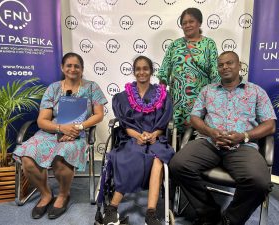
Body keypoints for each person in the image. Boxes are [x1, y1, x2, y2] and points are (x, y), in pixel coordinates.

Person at [169, 51, 277, 225]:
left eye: (230, 63)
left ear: (239, 66)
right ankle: (208, 212)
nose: (225, 67)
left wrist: (244, 136)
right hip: (209, 142)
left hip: (242, 146)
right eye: (221, 64)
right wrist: (210, 131)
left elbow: (270, 125)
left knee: (259, 182)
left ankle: (230, 220)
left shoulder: (256, 91)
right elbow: (194, 117)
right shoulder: (207, 90)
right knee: (177, 165)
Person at [13, 52, 108, 219]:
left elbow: (98, 114)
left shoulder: (92, 87)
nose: (73, 69)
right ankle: (46, 194)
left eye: (76, 66)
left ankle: (63, 194)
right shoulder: (53, 88)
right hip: (51, 132)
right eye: (69, 65)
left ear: (82, 69)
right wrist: (60, 128)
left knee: (62, 156)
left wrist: (77, 127)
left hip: (77, 133)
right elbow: (42, 120)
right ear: (62, 68)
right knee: (27, 157)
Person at [100, 56, 174, 225]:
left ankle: (151, 213)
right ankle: (112, 207)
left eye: (145, 68)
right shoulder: (122, 97)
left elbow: (164, 120)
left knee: (158, 159)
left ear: (151, 71)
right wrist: (138, 136)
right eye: (138, 69)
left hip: (156, 139)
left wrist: (154, 134)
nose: (142, 72)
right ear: (134, 72)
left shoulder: (162, 95)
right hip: (132, 138)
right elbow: (125, 124)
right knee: (130, 155)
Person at [158, 7, 220, 134]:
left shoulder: (209, 44)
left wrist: (214, 102)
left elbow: (215, 74)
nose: (187, 25)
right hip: (177, 103)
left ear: (199, 23)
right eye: (184, 23)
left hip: (200, 102)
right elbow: (164, 72)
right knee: (175, 138)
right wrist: (161, 102)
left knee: (197, 137)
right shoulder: (175, 45)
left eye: (191, 21)